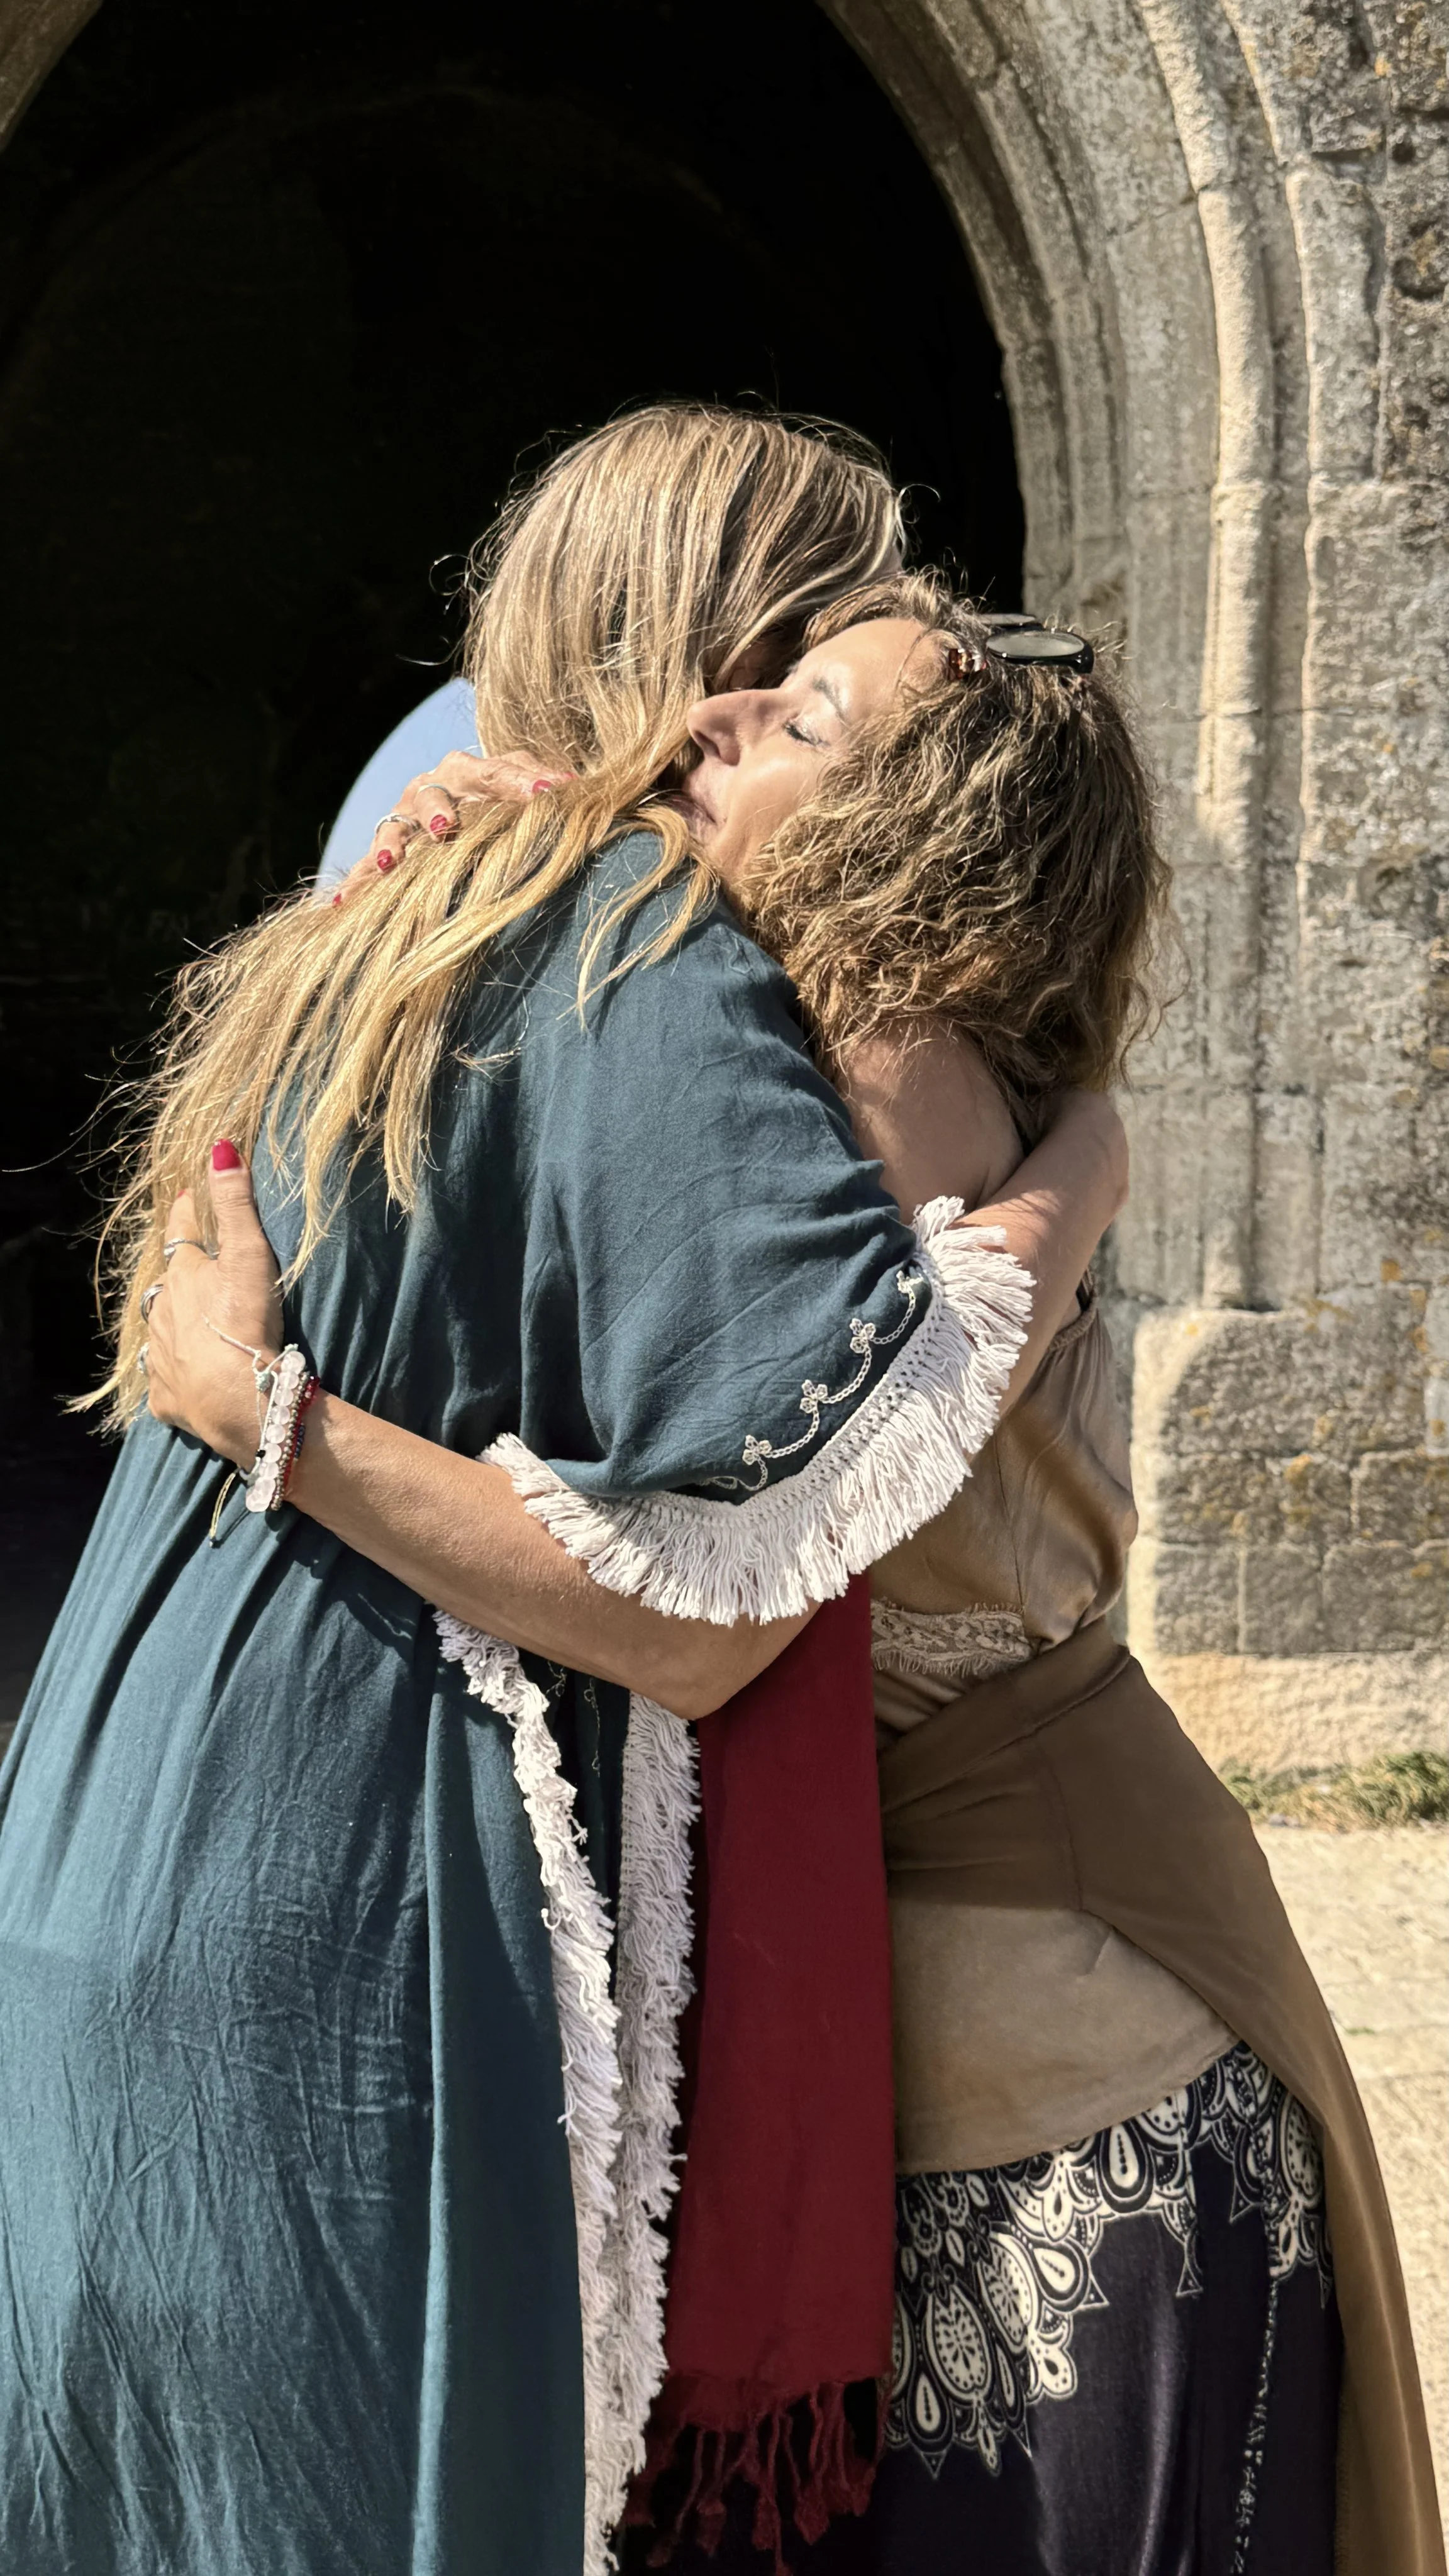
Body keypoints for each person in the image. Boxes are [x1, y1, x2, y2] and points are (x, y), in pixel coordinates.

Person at [0, 413, 1123, 2576]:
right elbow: (744, 1584)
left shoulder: (379, 913)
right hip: (331, 1898)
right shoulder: (639, 937)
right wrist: (1090, 1153)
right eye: (804, 658)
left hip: (99, 1832)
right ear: (713, 646)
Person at [347, 570, 1441, 2576]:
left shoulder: (866, 1078)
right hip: (1042, 1976)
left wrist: (279, 1425)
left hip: (1050, 2059)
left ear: (922, 827)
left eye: (812, 716)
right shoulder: (879, 1056)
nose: (733, 713)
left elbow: (707, 1614)